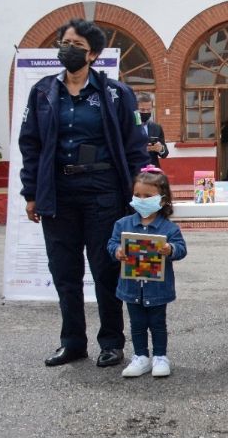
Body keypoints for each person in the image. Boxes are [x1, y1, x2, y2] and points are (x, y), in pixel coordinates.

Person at [19, 18, 149, 368]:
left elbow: (135, 146)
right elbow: (30, 144)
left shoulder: (115, 93)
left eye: (75, 44)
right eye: (64, 42)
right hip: (58, 192)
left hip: (102, 192)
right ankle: (72, 341)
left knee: (106, 269)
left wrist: (143, 193)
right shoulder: (44, 91)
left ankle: (111, 342)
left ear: (92, 53)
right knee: (65, 271)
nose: (67, 49)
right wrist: (31, 192)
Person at [108, 166, 187, 378]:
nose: (142, 200)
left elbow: (181, 249)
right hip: (131, 286)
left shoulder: (169, 229)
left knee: (158, 323)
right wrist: (117, 251)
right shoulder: (122, 224)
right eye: (137, 195)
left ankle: (160, 356)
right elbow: (112, 244)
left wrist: (170, 249)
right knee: (137, 324)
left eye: (148, 196)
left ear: (162, 199)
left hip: (157, 288)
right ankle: (140, 356)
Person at [136, 92, 169, 168]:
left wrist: (161, 148)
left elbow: (165, 154)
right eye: (142, 110)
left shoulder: (156, 127)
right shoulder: (127, 127)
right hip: (134, 171)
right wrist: (142, 149)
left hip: (152, 172)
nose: (146, 112)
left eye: (148, 109)